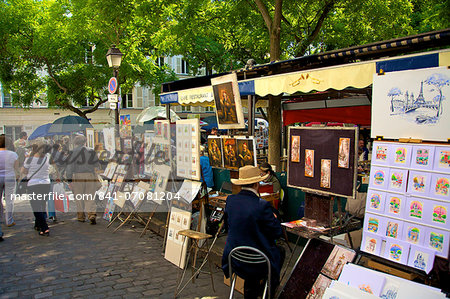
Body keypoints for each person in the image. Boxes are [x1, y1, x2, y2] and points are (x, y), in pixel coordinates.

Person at [222, 165, 284, 299]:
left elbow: (229, 226)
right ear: (257, 184)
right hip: (259, 261)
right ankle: (268, 292)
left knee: (253, 248)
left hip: (235, 259)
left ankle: (252, 292)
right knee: (279, 251)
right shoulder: (261, 205)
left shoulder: (231, 201)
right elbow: (277, 232)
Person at [65, 135, 101, 224]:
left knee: (79, 197)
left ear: (75, 143)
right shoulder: (91, 151)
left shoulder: (72, 152)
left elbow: (69, 168)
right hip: (90, 175)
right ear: (85, 142)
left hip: (77, 176)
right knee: (90, 196)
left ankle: (81, 216)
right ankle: (91, 214)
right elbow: (96, 164)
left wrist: (69, 180)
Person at [22, 139, 51, 236]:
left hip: (33, 184)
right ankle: (38, 224)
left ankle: (44, 227)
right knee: (42, 205)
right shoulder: (47, 157)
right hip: (46, 184)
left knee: (36, 207)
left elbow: (24, 171)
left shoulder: (30, 159)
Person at [0, 135, 19, 227]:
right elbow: (16, 168)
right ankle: (9, 220)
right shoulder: (13, 154)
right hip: (10, 177)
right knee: (9, 199)